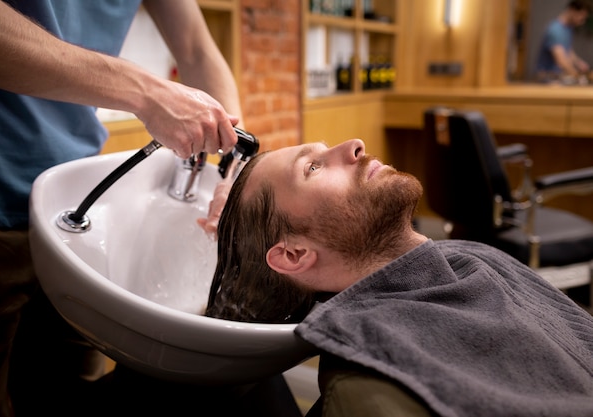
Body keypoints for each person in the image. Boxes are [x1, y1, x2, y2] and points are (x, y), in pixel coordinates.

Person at [0, 1, 256, 416]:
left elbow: (195, 48)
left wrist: (232, 165)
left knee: (69, 395)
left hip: (76, 207)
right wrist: (148, 92)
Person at [205, 139, 593, 416]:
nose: (353, 145)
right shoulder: (369, 385)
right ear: (293, 254)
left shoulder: (472, 257)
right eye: (313, 167)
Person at [536, 0, 592, 83]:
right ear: (572, 10)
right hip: (547, 78)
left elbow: (568, 51)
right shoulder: (555, 30)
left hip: (557, 76)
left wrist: (579, 62)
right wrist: (578, 76)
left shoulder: (568, 28)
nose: (582, 22)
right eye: (581, 17)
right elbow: (561, 60)